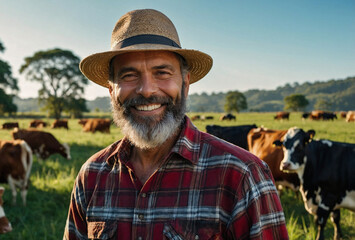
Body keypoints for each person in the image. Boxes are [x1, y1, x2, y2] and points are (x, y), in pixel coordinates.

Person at [63, 9, 288, 239]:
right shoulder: (91, 175)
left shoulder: (243, 175)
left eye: (162, 72)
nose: (147, 89)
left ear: (185, 84)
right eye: (129, 75)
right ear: (112, 91)